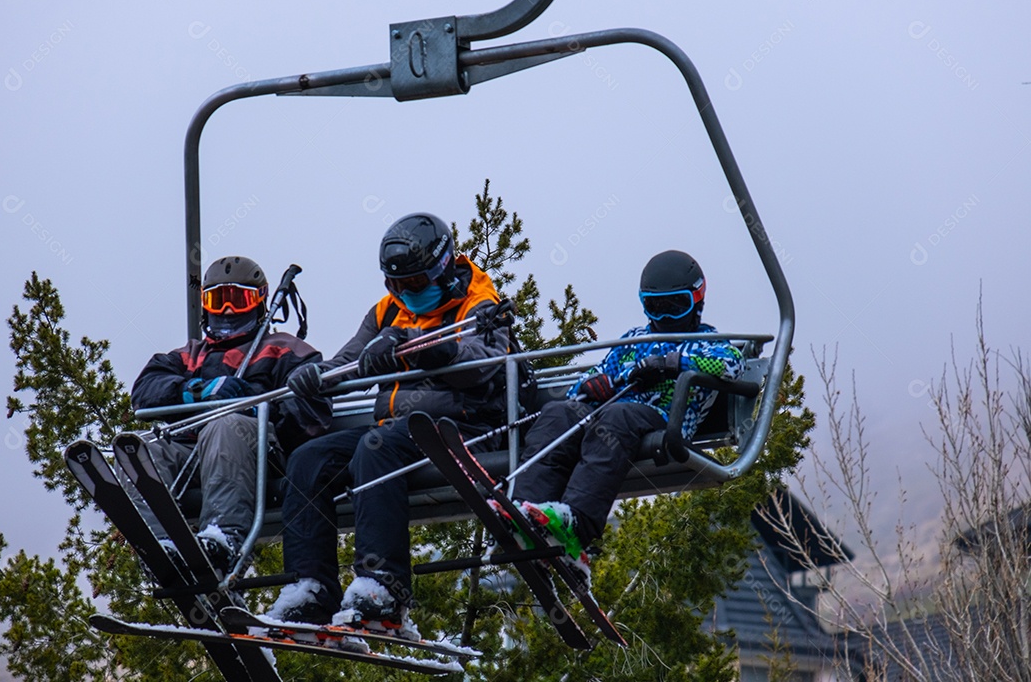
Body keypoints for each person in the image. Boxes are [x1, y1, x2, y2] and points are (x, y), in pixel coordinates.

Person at [274, 212, 510, 636]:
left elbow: (479, 363)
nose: (405, 293)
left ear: (441, 269)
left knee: (377, 447)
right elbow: (349, 362)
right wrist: (315, 378)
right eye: (396, 285)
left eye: (414, 284)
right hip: (397, 428)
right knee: (309, 460)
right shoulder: (387, 312)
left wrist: (416, 349)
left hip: (463, 423)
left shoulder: (479, 303)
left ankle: (385, 586)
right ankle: (310, 589)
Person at [506, 250, 745, 581]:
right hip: (612, 417)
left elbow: (731, 364)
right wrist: (597, 385)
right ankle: (523, 513)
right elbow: (582, 386)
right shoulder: (635, 341)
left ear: (696, 300)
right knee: (558, 413)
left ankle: (576, 523)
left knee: (617, 417)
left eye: (676, 305)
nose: (665, 315)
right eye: (655, 306)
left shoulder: (704, 341)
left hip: (662, 420)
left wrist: (671, 364)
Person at [129, 256, 331, 575]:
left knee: (226, 426)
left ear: (258, 302)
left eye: (237, 300)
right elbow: (144, 391)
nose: (226, 311)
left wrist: (260, 408)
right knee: (145, 448)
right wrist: (199, 390)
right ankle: (159, 544)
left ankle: (222, 539)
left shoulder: (285, 350)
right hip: (193, 452)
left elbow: (312, 413)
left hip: (259, 452)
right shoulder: (190, 355)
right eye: (218, 300)